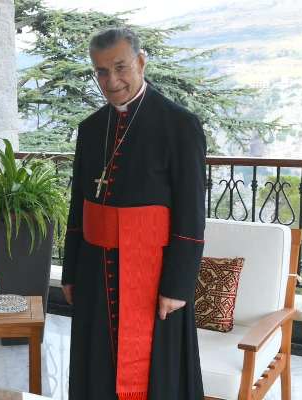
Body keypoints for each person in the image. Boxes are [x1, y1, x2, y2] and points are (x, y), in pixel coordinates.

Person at [61, 27, 206, 399]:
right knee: (97, 371)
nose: (112, 81)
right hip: (96, 271)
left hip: (153, 276)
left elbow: (191, 215)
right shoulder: (91, 128)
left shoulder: (180, 125)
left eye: (120, 67)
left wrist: (177, 287)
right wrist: (71, 272)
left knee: (155, 377)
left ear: (141, 62)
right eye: (101, 71)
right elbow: (79, 206)